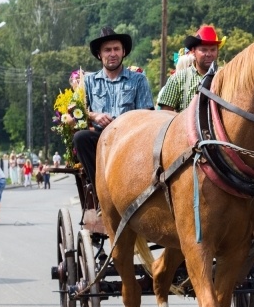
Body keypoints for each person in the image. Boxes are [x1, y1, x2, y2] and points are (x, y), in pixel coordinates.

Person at [72, 26, 153, 186]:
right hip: (100, 138)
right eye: (107, 50)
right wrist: (94, 115)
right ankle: (100, 190)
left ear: (123, 52)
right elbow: (76, 111)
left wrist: (124, 123)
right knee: (80, 138)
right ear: (99, 54)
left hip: (131, 138)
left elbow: (147, 114)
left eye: (116, 49)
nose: (112, 53)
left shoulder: (138, 80)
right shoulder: (88, 81)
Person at [157, 25, 223, 112]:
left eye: (213, 50)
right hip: (186, 125)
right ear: (193, 51)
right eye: (204, 50)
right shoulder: (178, 79)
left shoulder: (226, 77)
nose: (209, 54)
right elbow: (165, 114)